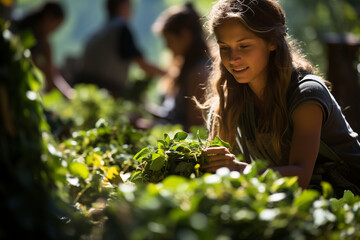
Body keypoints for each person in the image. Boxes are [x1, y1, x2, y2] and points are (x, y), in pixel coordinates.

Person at [199, 0, 360, 197]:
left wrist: (238, 169)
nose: (233, 58)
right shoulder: (233, 98)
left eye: (244, 45)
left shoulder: (306, 94)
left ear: (272, 42)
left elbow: (300, 178)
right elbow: (217, 165)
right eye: (225, 47)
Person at [76, 0, 165, 98]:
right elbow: (142, 64)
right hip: (106, 93)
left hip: (84, 91)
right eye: (130, 7)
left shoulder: (99, 33)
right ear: (122, 6)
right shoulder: (121, 29)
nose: (132, 12)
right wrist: (168, 74)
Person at [144, 2, 210, 131]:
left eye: (169, 41)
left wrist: (150, 127)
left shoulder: (198, 72)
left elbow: (195, 128)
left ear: (185, 36)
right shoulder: (185, 66)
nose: (167, 47)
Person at [11, 1, 74, 99]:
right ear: (48, 17)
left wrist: (68, 92)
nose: (54, 31)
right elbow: (38, 66)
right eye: (55, 26)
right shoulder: (25, 30)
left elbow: (51, 71)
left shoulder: (41, 39)